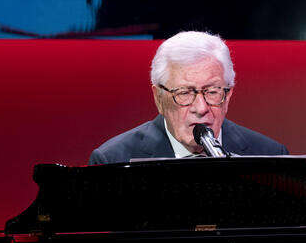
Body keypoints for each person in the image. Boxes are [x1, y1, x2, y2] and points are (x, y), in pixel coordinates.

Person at [89, 31, 288, 164]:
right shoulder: (113, 160)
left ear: (228, 96)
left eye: (212, 92)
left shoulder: (271, 155)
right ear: (159, 97)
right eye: (184, 93)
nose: (201, 108)